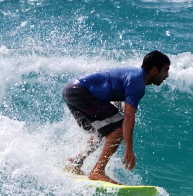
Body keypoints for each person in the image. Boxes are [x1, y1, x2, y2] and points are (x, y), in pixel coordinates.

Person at [62, 50, 170, 184]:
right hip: (80, 91)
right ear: (154, 70)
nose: (167, 75)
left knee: (105, 129)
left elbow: (114, 98)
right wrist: (129, 148)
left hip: (70, 90)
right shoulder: (137, 83)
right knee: (117, 129)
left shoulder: (132, 75)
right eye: (165, 70)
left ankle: (75, 162)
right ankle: (98, 171)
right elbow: (128, 118)